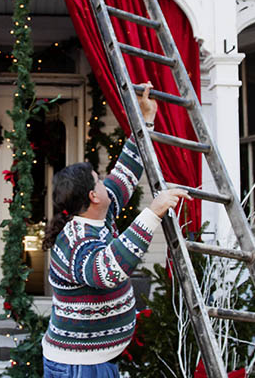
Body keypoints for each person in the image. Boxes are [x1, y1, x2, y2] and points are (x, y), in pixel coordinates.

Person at [41, 83, 190, 377]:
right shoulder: (74, 241)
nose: (105, 181)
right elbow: (107, 270)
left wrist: (146, 119)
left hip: (96, 360)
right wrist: (153, 212)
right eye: (99, 180)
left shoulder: (101, 214)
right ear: (93, 196)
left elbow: (127, 169)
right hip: (78, 366)